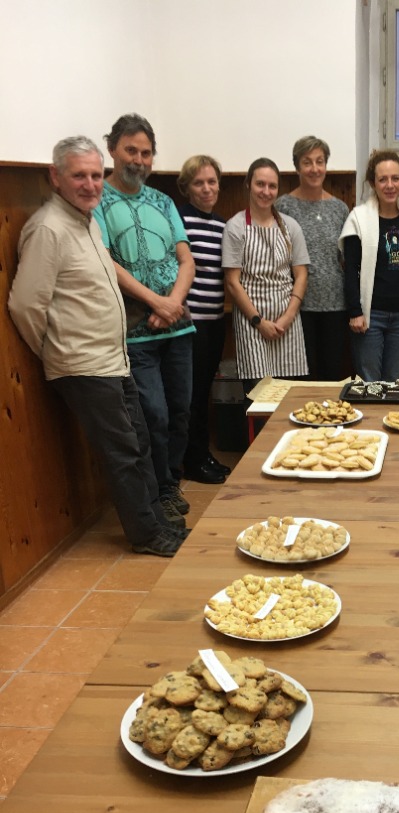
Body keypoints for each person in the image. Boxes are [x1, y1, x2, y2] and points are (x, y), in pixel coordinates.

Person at [8, 136, 184, 557]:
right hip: (84, 365)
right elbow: (25, 305)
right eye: (78, 176)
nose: (90, 184)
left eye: (94, 175)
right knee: (122, 452)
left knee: (138, 442)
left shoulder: (86, 220)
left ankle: (154, 519)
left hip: (113, 359)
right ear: (55, 177)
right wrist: (58, 352)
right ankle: (146, 535)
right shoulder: (48, 228)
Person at [94, 113, 196, 527]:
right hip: (135, 334)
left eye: (146, 152)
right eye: (130, 151)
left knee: (180, 410)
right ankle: (156, 491)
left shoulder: (164, 201)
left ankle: (171, 486)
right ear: (112, 150)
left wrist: (172, 303)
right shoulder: (97, 200)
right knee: (152, 413)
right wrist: (157, 302)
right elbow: (105, 261)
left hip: (179, 327)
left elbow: (185, 260)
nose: (139, 160)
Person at [222, 158, 309, 391]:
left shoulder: (291, 226)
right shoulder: (236, 227)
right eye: (260, 184)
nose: (266, 191)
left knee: (289, 400)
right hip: (252, 324)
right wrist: (259, 322)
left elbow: (300, 275)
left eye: (272, 186)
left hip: (287, 324)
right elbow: (232, 283)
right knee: (258, 398)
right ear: (248, 184)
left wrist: (287, 318)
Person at [339, 149, 399, 382]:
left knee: (394, 382)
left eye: (395, 178)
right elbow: (351, 271)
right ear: (372, 183)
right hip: (370, 316)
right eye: (382, 179)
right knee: (370, 383)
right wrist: (355, 312)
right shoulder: (358, 219)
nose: (389, 185)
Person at [276, 136, 349, 380]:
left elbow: (346, 259)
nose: (314, 169)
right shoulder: (283, 206)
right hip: (297, 307)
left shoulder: (339, 208)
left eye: (320, 161)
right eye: (307, 162)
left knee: (332, 376)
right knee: (301, 380)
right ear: (297, 166)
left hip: (335, 305)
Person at [176, 154, 231, 485]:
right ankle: (193, 460)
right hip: (190, 323)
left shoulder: (223, 225)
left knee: (205, 390)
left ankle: (202, 454)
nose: (207, 188)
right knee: (192, 395)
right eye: (199, 182)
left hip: (215, 322)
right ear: (187, 187)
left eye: (212, 182)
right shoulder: (179, 221)